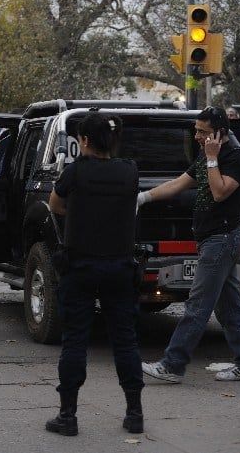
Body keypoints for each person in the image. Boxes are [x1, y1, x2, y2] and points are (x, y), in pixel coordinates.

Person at [140, 106, 240, 382]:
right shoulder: (206, 155)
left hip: (222, 240)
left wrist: (213, 158)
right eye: (196, 130)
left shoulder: (235, 157)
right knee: (229, 307)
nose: (196, 136)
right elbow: (178, 184)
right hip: (210, 240)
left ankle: (172, 365)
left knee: (197, 305)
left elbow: (219, 193)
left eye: (202, 132)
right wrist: (143, 198)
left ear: (219, 133)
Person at [46, 113, 144, 436]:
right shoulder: (129, 171)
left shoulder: (75, 172)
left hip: (81, 267)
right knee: (125, 340)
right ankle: (134, 413)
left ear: (85, 140)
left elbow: (55, 205)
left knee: (75, 340)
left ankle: (68, 415)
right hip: (119, 267)